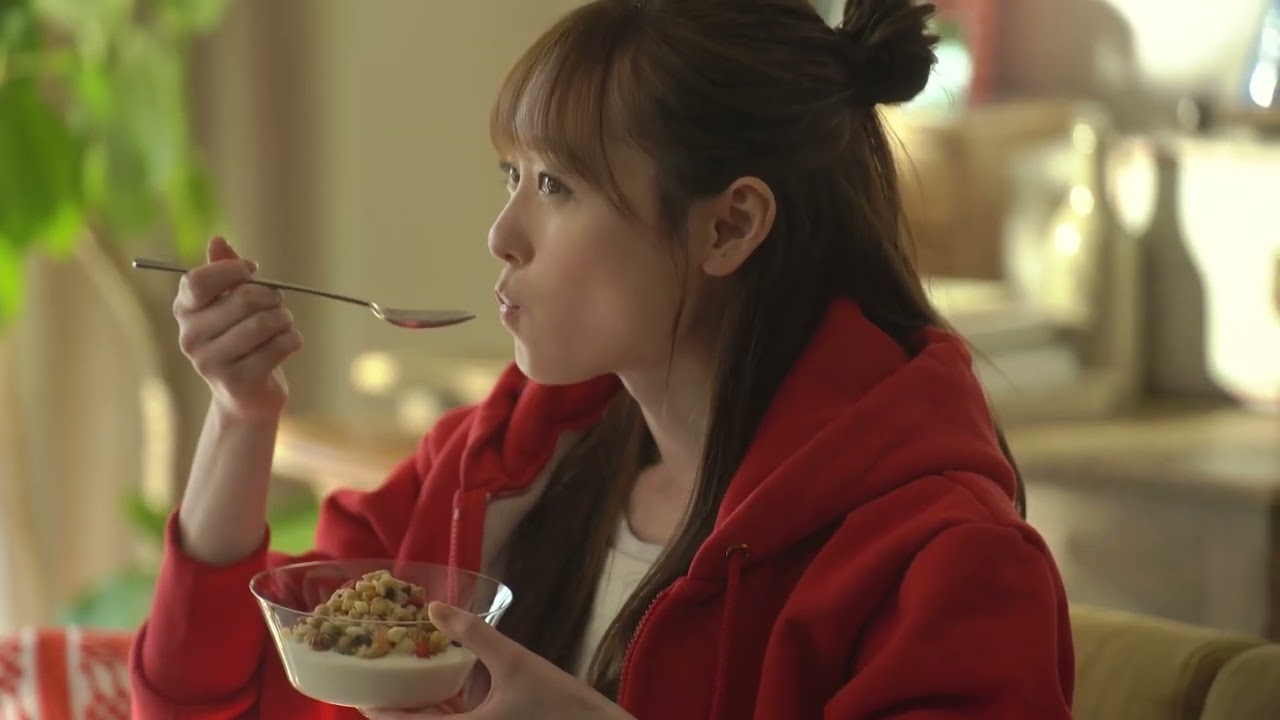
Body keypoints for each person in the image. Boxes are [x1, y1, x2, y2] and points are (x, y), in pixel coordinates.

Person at [128, 0, 1075, 718]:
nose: (502, 234)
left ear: (729, 226)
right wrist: (241, 417)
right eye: (512, 176)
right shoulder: (500, 469)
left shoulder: (945, 564)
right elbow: (205, 703)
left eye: (556, 185)